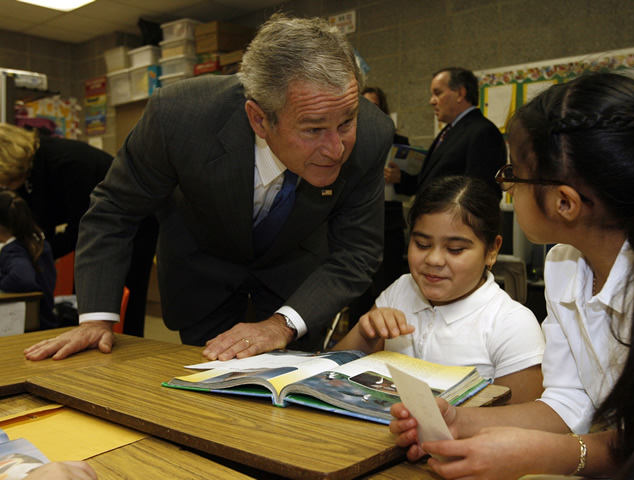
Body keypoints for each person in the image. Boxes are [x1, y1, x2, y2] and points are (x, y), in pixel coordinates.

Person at [389, 72, 634, 479]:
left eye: (513, 176)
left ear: (565, 203)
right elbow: (567, 400)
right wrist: (460, 421)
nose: (506, 188)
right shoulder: (564, 264)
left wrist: (547, 454)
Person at [24, 14, 394, 362]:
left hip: (297, 288)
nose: (336, 148)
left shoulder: (373, 135)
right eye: (313, 129)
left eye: (346, 122)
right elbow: (114, 211)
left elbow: (356, 252)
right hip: (203, 279)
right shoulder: (179, 118)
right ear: (259, 119)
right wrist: (96, 319)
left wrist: (282, 324)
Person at [334, 176, 545, 404]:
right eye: (422, 245)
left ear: (492, 250)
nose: (434, 259)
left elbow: (518, 426)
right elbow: (328, 376)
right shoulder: (402, 289)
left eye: (455, 249)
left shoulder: (511, 324)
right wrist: (365, 333)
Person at [0, 123, 158, 337]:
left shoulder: (68, 162)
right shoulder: (31, 170)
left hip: (133, 225)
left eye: (8, 182)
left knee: (115, 299)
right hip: (94, 223)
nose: (9, 187)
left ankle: (123, 346)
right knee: (84, 302)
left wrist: (38, 249)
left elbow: (83, 230)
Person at [385, 67, 506, 199]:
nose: (431, 101)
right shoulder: (449, 131)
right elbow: (432, 181)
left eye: (437, 93)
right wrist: (402, 178)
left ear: (460, 94)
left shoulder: (483, 132)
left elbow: (481, 194)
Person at [346, 87, 410, 327]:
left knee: (387, 283)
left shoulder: (399, 142)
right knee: (358, 288)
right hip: (358, 219)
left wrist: (399, 177)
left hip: (390, 218)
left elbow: (413, 183)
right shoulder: (346, 137)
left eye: (374, 105)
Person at [0, 190, 56, 329]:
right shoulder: (39, 244)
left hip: (31, 325)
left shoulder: (13, 250)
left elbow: (22, 278)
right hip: (47, 321)